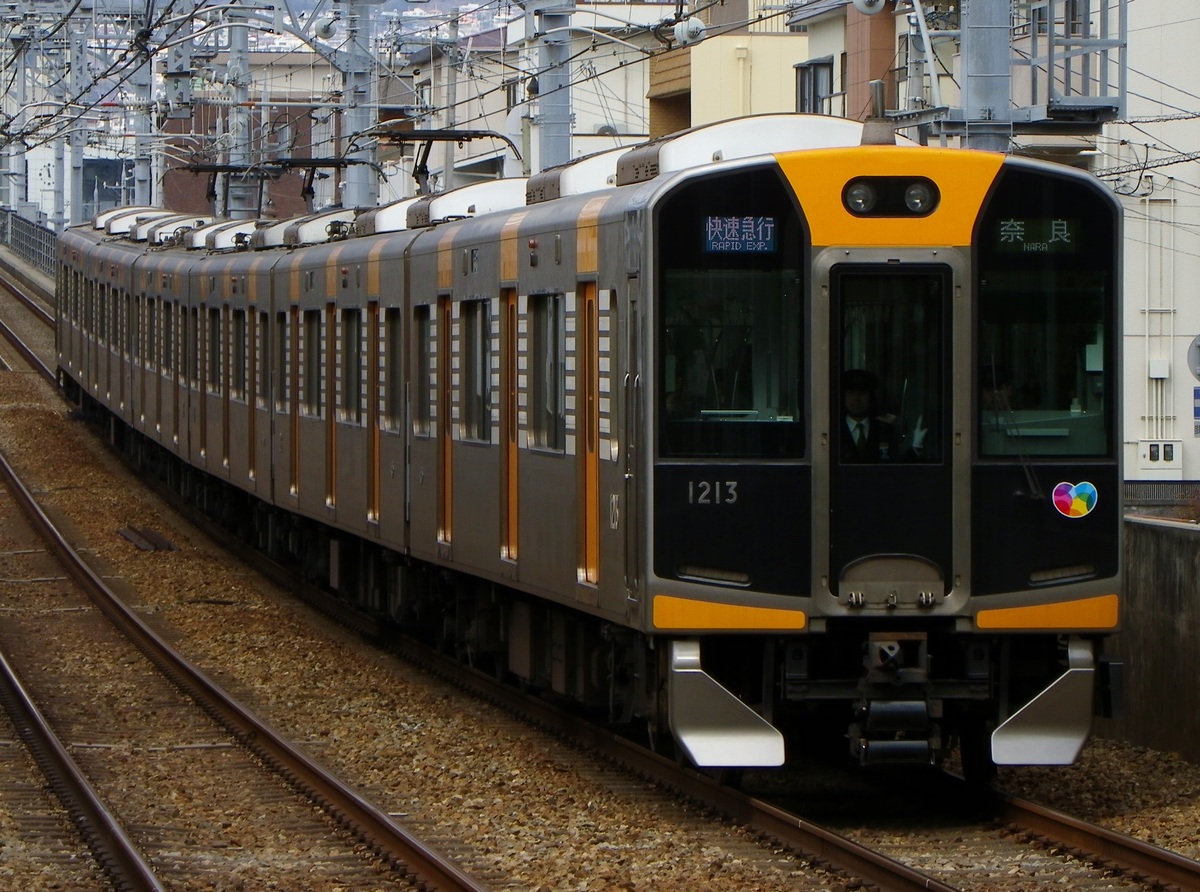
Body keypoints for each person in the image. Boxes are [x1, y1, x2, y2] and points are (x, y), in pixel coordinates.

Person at [840, 368, 898, 463]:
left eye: (862, 393)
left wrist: (916, 448)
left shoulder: (885, 430)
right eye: (851, 393)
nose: (856, 398)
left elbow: (897, 465)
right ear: (843, 397)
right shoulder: (833, 431)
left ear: (871, 397)